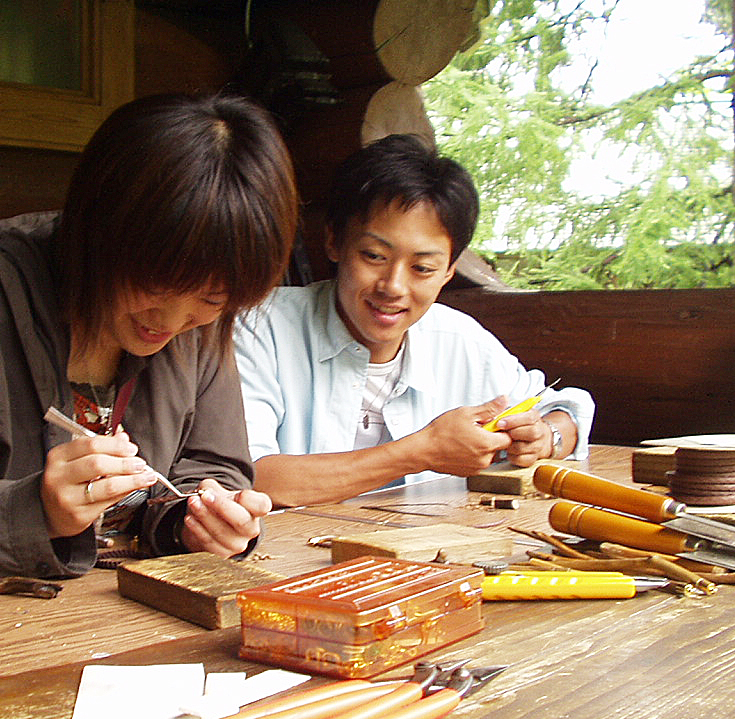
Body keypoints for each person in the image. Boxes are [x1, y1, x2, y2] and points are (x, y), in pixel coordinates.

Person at [0, 92, 299, 578]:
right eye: (155, 285)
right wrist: (34, 513)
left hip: (121, 608)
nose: (172, 322)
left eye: (213, 299)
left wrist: (198, 521)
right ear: (100, 231)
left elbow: (214, 468)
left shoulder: (203, 326)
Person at [233, 134, 594, 508]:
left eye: (422, 268)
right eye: (374, 256)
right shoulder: (260, 327)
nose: (393, 287)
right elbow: (252, 478)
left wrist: (545, 437)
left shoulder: (459, 340)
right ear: (334, 241)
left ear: (449, 270)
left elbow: (567, 411)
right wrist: (422, 451)